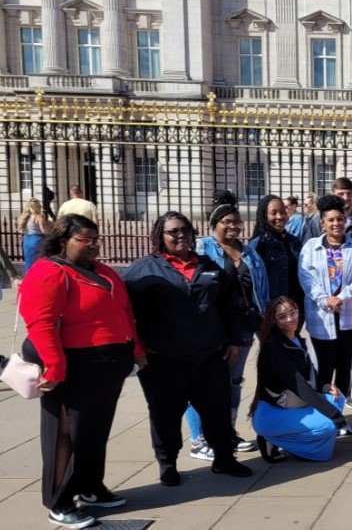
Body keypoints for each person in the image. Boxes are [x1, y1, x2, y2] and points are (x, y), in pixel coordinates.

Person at [19, 215, 145, 528]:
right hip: (71, 366)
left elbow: (124, 312)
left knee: (93, 433)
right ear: (63, 240)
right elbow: (40, 322)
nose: (93, 244)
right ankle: (59, 502)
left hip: (107, 366)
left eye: (95, 238)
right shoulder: (48, 271)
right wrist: (54, 366)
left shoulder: (102, 271)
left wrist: (136, 350)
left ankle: (90, 487)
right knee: (67, 436)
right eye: (84, 239)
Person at [123, 212, 252, 486]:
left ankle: (224, 458)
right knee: (165, 414)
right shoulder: (143, 270)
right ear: (161, 236)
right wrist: (137, 348)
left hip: (209, 357)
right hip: (163, 361)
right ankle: (167, 463)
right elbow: (126, 312)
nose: (180, 235)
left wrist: (233, 341)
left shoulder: (211, 266)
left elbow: (231, 306)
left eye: (185, 230)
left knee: (216, 410)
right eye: (173, 231)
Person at [186, 191, 270, 461]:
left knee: (233, 381)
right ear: (214, 224)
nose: (234, 226)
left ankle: (227, 432)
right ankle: (199, 439)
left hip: (243, 325)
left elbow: (262, 290)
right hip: (212, 328)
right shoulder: (201, 249)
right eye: (227, 222)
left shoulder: (250, 254)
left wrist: (265, 324)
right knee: (204, 383)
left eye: (237, 222)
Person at [250, 297, 348, 463]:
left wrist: (325, 387)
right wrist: (335, 416)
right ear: (273, 320)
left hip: (292, 405)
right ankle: (270, 438)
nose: (290, 319)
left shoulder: (295, 339)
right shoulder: (274, 348)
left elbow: (311, 377)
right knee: (328, 427)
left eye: (292, 312)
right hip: (271, 414)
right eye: (282, 316)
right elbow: (301, 387)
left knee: (337, 398)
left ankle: (290, 440)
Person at [299, 194, 352, 405]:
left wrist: (341, 297)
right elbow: (306, 277)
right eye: (331, 220)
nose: (336, 223)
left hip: (349, 314)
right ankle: (324, 408)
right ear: (322, 223)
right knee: (325, 364)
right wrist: (325, 300)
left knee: (344, 362)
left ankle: (339, 410)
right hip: (321, 315)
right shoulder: (311, 247)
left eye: (340, 219)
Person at [249, 194, 305, 315]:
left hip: (295, 307)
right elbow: (254, 284)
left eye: (282, 211)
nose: (279, 216)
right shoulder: (258, 245)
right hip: (272, 310)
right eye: (273, 213)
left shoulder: (294, 242)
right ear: (264, 216)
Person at [303, 177, 352, 256]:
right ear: (333, 194)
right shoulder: (316, 222)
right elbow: (307, 251)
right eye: (341, 194)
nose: (345, 198)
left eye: (349, 193)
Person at [19, 197, 51, 269]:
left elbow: (22, 231)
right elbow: (44, 231)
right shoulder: (38, 217)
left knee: (29, 261)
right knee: (38, 262)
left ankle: (29, 277)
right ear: (37, 206)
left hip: (27, 240)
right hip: (37, 240)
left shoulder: (25, 217)